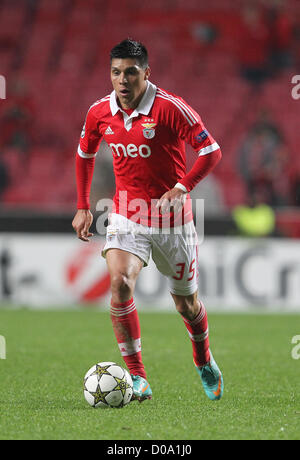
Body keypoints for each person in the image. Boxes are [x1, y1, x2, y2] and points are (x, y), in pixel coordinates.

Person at [72, 39, 223, 402]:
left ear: (146, 73)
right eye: (116, 72)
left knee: (187, 305)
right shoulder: (99, 112)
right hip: (126, 214)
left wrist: (183, 186)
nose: (122, 80)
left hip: (173, 221)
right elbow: (84, 155)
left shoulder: (171, 108)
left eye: (130, 73)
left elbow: (210, 151)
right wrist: (83, 205)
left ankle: (203, 358)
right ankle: (138, 377)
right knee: (120, 283)